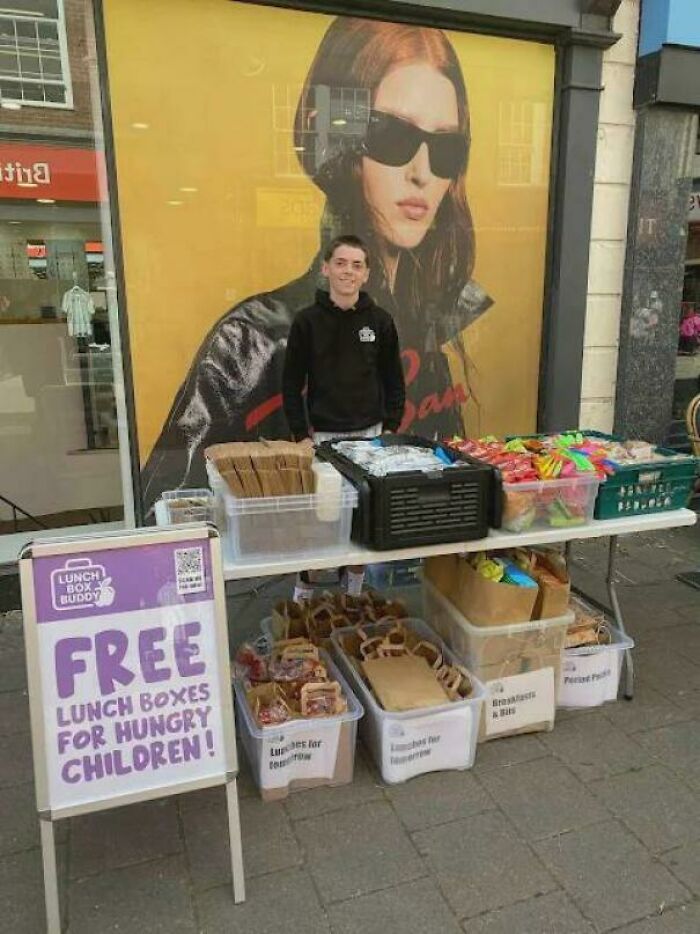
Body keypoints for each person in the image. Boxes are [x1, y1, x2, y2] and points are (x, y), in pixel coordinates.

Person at [141, 16, 492, 515]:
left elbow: (442, 481)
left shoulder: (426, 330)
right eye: (391, 137)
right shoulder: (252, 341)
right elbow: (172, 515)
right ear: (340, 146)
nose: (421, 173)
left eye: (445, 148)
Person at [283, 234, 405, 601]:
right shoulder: (306, 322)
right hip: (323, 441)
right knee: (320, 519)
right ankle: (303, 595)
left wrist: (390, 428)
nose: (348, 272)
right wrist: (300, 435)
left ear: (366, 273)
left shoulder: (380, 322)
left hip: (370, 439)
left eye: (356, 265)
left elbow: (394, 379)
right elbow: (291, 383)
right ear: (325, 268)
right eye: (340, 263)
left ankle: (353, 595)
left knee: (363, 519)